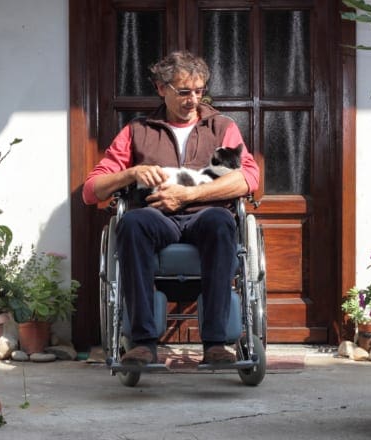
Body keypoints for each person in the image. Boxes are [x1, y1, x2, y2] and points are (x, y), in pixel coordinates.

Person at [82, 51, 259, 366]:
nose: (193, 99)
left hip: (205, 215)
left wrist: (187, 196)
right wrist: (131, 173)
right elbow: (90, 190)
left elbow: (248, 178)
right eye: (183, 92)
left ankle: (216, 344)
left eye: (199, 91)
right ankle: (143, 342)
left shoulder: (220, 127)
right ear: (161, 88)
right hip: (156, 217)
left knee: (222, 222)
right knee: (132, 224)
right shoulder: (139, 130)